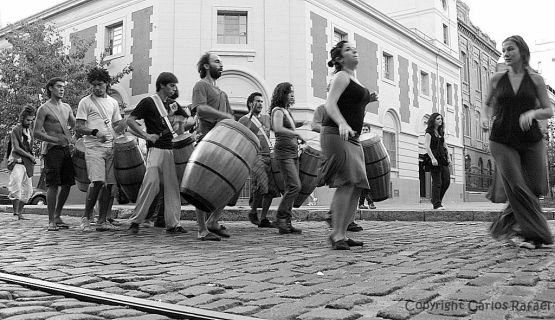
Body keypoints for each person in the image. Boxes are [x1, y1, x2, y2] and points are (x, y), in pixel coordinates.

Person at [486, 35, 553, 249]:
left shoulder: (536, 80)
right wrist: (484, 119)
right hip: (502, 139)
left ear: (522, 51)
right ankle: (536, 234)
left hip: (530, 138)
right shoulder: (497, 79)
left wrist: (532, 113)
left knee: (534, 187)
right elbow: (488, 105)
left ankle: (504, 226)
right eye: (503, 50)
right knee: (517, 185)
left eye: (510, 49)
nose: (505, 54)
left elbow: (548, 110)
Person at [318, 40, 378, 250]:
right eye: (348, 50)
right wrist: (342, 123)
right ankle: (336, 234)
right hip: (336, 133)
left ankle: (342, 232)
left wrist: (367, 100)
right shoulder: (341, 76)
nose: (354, 51)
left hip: (352, 136)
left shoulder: (354, 78)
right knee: (347, 182)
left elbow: (350, 103)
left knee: (357, 184)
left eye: (354, 48)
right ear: (339, 59)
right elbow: (330, 104)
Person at [126, 72, 188, 235]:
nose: (174, 88)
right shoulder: (148, 102)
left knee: (172, 188)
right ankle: (136, 221)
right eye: (172, 85)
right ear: (162, 85)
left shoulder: (174, 105)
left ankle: (173, 224)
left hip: (171, 150)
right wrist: (146, 135)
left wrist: (182, 125)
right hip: (156, 149)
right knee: (150, 183)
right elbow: (130, 120)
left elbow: (182, 127)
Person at [191, 52, 234, 241]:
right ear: (206, 66)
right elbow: (200, 109)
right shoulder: (201, 86)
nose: (221, 64)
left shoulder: (223, 93)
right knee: (201, 187)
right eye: (217, 61)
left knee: (231, 183)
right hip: (206, 141)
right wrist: (224, 116)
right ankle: (202, 230)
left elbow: (231, 118)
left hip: (222, 143)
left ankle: (213, 221)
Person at [75, 67, 124, 232]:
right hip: (93, 146)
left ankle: (102, 220)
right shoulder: (85, 102)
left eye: (100, 84)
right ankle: (86, 217)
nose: (96, 88)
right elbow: (79, 126)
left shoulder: (113, 102)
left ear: (107, 84)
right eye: (94, 85)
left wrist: (127, 125)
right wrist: (95, 132)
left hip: (110, 146)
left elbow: (117, 125)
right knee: (97, 182)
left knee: (109, 185)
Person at [313, 104, 366, 231]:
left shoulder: (347, 107)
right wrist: (334, 131)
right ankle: (336, 219)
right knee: (347, 182)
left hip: (349, 145)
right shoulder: (322, 108)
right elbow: (314, 125)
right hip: (335, 147)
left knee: (354, 183)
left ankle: (347, 220)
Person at [34, 77, 76, 231]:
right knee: (53, 184)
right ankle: (51, 220)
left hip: (65, 149)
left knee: (67, 184)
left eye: (63, 87)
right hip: (51, 150)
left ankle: (58, 215)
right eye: (59, 86)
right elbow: (36, 132)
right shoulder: (44, 109)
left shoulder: (67, 107)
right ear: (50, 88)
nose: (62, 89)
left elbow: (75, 124)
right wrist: (52, 138)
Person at [238, 92, 277, 228]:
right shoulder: (244, 120)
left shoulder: (267, 118)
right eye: (257, 101)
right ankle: (253, 212)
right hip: (255, 156)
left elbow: (277, 127)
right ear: (250, 104)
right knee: (262, 184)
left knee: (271, 188)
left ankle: (264, 218)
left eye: (261, 101)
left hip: (269, 156)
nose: (260, 104)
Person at [270, 82, 303, 235]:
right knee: (295, 186)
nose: (292, 95)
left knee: (292, 187)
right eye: (289, 92)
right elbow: (277, 128)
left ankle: (286, 223)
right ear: (282, 94)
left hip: (292, 151)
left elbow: (289, 128)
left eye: (293, 92)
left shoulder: (287, 111)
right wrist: (296, 134)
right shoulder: (277, 110)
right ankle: (280, 217)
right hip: (284, 152)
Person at [7, 105, 36, 220]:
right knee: (16, 187)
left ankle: (20, 212)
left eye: (31, 120)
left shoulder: (30, 131)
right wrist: (29, 156)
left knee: (28, 190)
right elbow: (16, 148)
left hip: (27, 164)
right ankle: (15, 213)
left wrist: (30, 158)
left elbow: (30, 147)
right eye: (27, 120)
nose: (29, 122)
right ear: (22, 118)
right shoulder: (16, 129)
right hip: (17, 162)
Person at [424, 113, 450, 210]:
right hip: (434, 159)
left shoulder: (440, 131)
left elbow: (444, 144)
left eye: (441, 119)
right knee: (437, 182)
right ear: (433, 120)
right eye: (438, 119)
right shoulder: (429, 132)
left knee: (446, 181)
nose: (440, 120)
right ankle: (436, 204)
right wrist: (432, 158)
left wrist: (449, 157)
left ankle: (437, 199)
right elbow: (426, 145)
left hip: (442, 158)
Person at [359, 123, 376, 210]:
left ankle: (361, 203)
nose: (365, 131)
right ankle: (370, 202)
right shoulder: (359, 140)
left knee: (365, 185)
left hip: (369, 165)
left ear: (369, 131)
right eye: (363, 130)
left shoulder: (371, 140)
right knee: (365, 185)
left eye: (366, 130)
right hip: (361, 165)